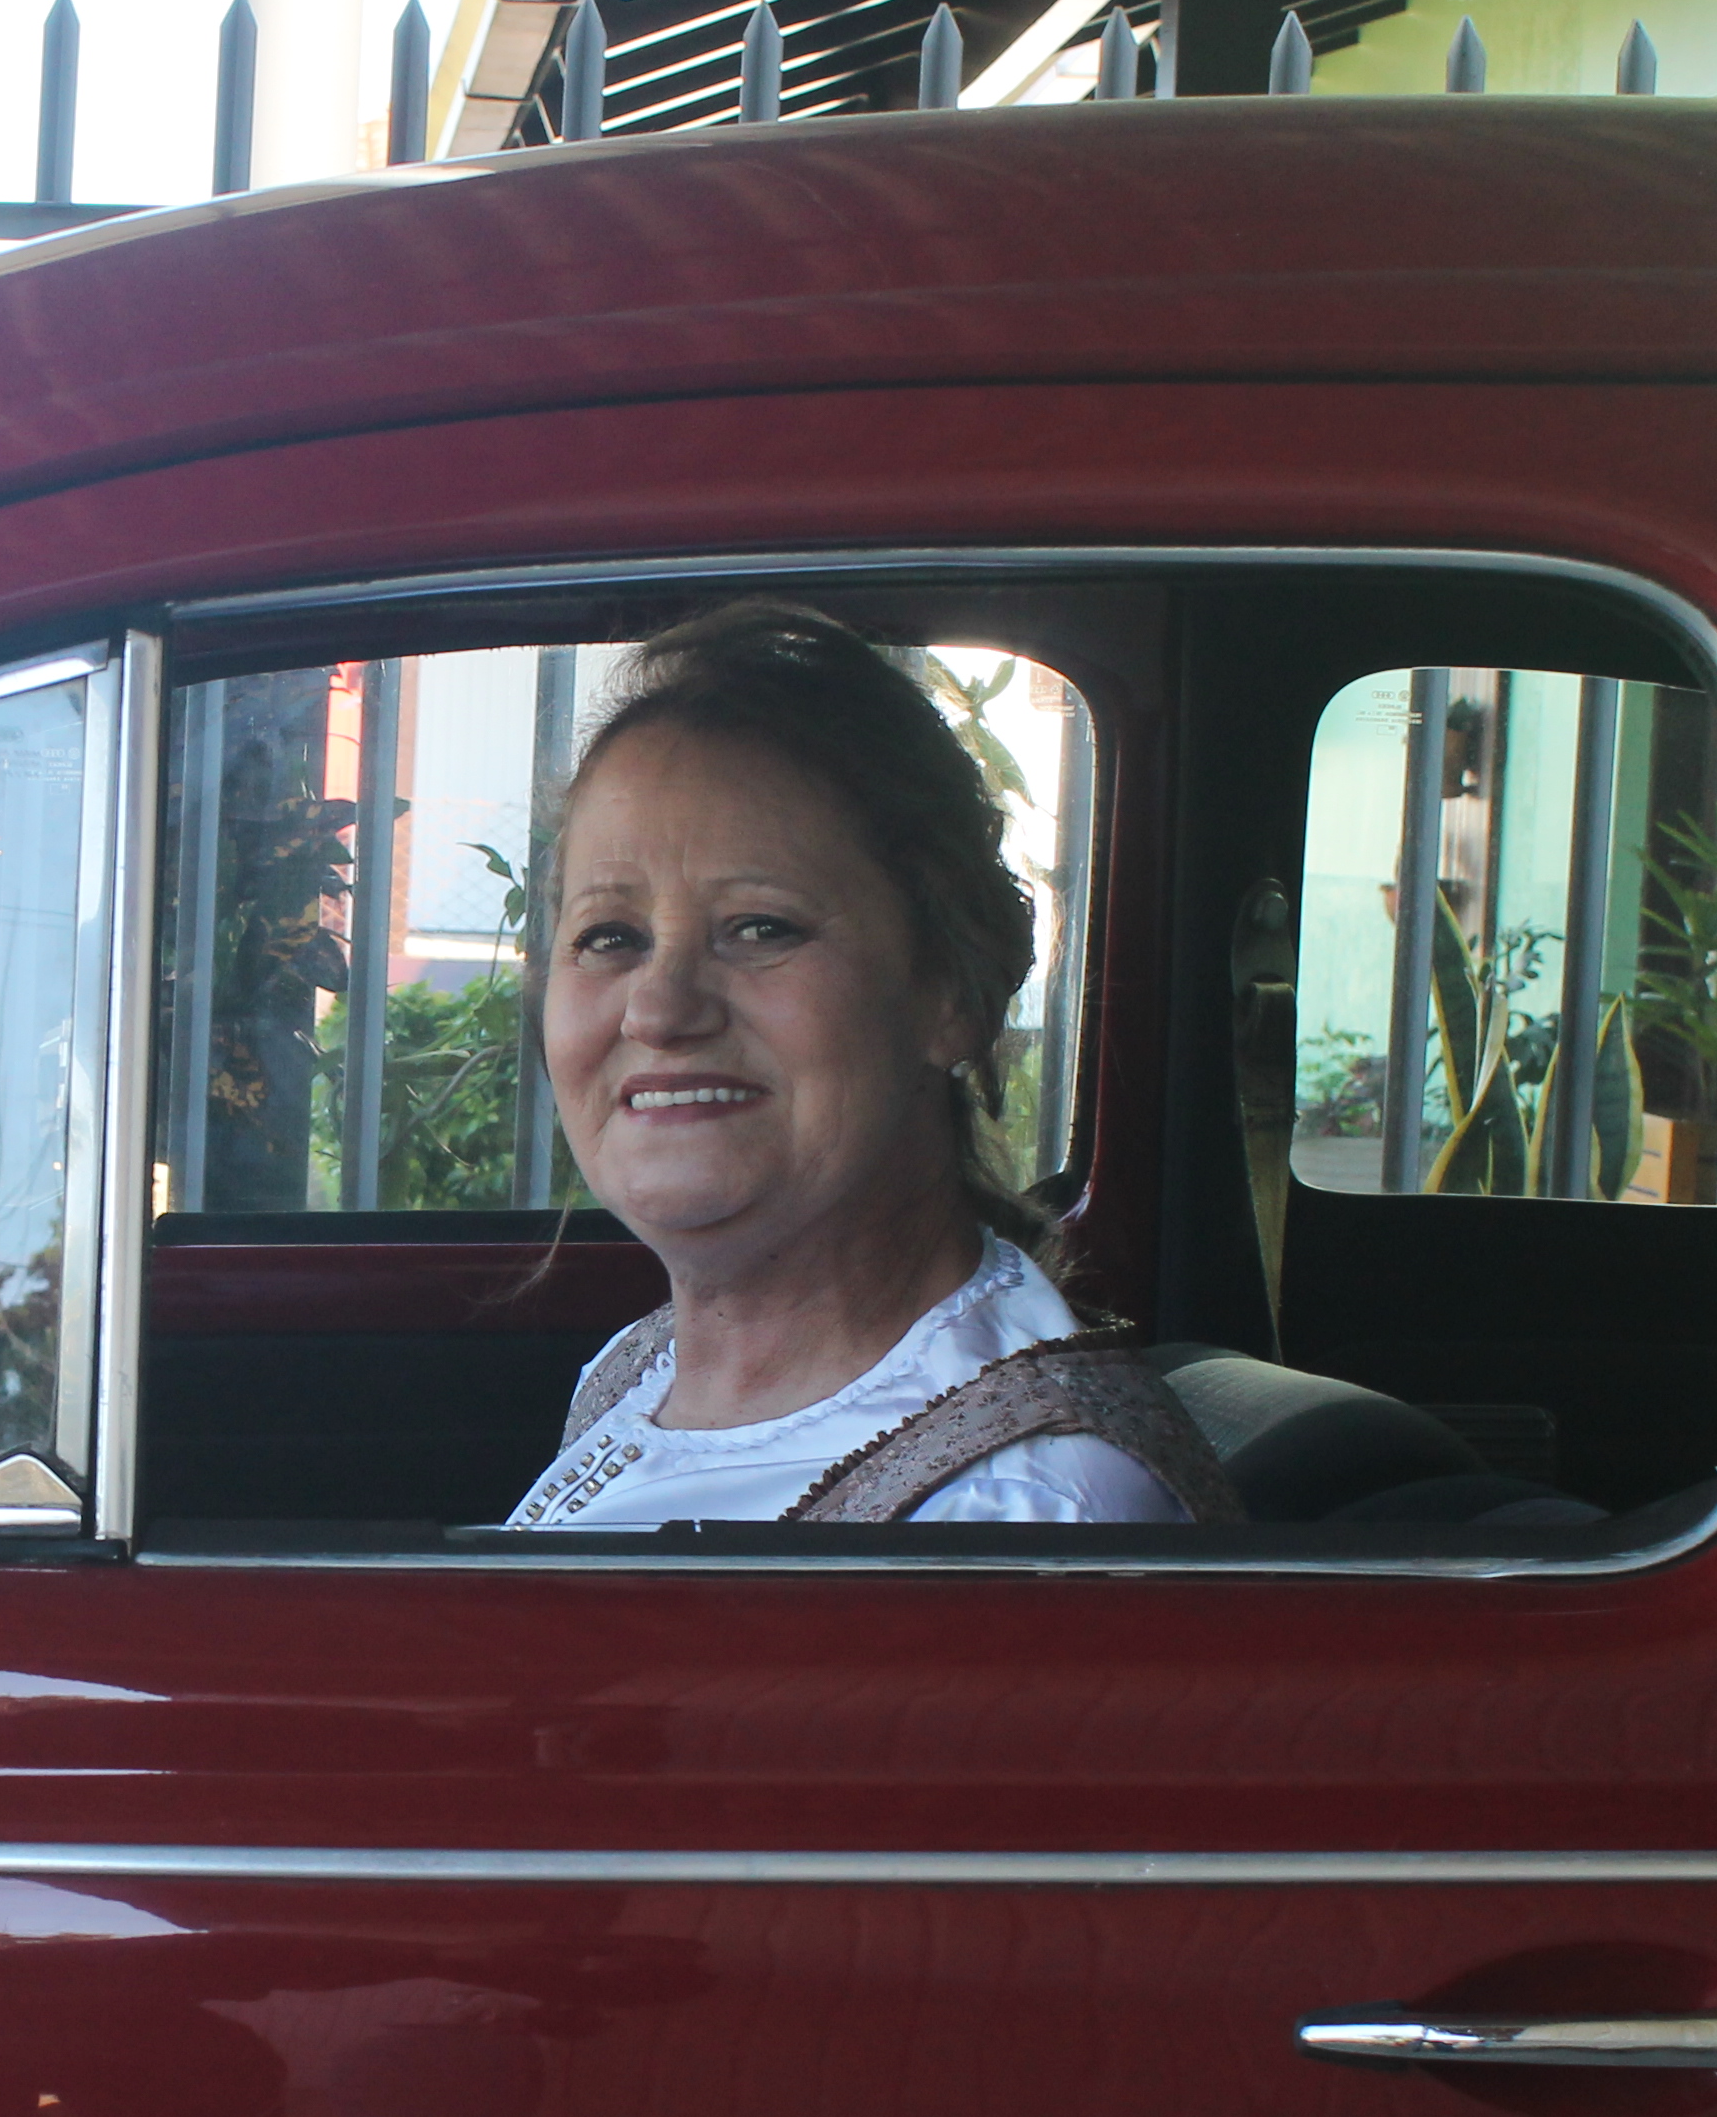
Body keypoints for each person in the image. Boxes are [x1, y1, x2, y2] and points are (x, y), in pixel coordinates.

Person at [508, 603, 1237, 1529]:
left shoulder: (1021, 1507)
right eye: (610, 936)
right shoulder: (637, 1373)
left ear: (951, 993)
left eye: (761, 928)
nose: (658, 1008)